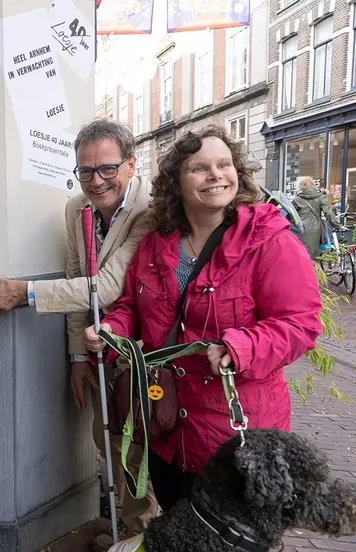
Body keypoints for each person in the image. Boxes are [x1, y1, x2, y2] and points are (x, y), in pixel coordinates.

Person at [84, 126, 322, 512]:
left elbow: (301, 323)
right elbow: (131, 305)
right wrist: (112, 329)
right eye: (200, 168)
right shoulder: (155, 244)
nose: (215, 175)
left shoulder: (269, 241)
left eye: (224, 165)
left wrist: (242, 346)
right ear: (176, 182)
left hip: (235, 438)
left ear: (238, 174)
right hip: (166, 430)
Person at [0, 119, 160, 550]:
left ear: (131, 165)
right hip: (97, 350)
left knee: (139, 444)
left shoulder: (150, 208)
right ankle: (134, 530)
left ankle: (152, 533)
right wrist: (77, 359)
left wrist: (24, 291)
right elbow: (79, 281)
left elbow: (110, 286)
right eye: (86, 171)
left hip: (142, 345)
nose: (97, 182)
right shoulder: (76, 208)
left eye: (108, 169)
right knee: (106, 438)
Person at [294, 177, 343, 259]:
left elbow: (291, 216)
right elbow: (328, 213)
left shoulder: (296, 200)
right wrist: (338, 225)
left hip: (300, 230)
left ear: (300, 186)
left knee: (301, 256)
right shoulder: (320, 197)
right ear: (313, 185)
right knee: (314, 257)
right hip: (316, 231)